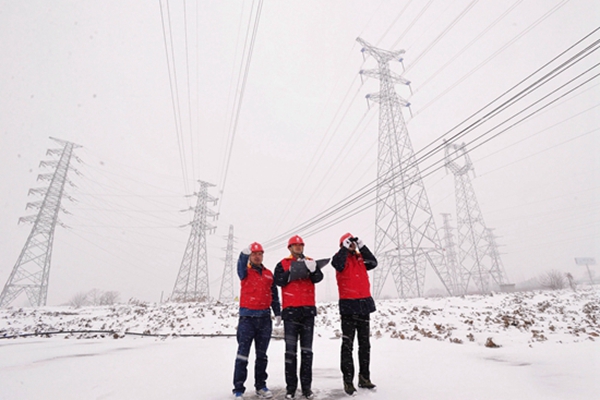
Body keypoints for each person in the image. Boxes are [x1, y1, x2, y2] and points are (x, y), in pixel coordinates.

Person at [274, 235, 324, 400]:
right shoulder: (282, 264)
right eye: (295, 245)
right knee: (290, 352)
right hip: (290, 312)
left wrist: (313, 269)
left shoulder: (310, 261)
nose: (298, 247)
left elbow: (318, 278)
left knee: (307, 352)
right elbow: (279, 281)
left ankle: (306, 388)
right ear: (289, 248)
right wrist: (291, 271)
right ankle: (291, 388)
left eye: (300, 245)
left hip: (307, 312)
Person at [331, 233, 378, 396]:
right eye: (349, 243)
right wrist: (344, 248)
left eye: (353, 243)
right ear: (343, 245)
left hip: (363, 305)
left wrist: (362, 246)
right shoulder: (340, 259)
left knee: (365, 345)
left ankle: (364, 377)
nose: (352, 245)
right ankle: (348, 380)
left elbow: (373, 262)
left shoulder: (360, 258)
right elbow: (336, 264)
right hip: (349, 306)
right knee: (347, 345)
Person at [233, 242, 281, 399]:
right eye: (254, 254)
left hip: (264, 319)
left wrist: (277, 313)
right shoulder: (245, 272)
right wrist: (243, 255)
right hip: (247, 319)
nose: (257, 256)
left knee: (262, 356)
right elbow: (240, 265)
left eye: (259, 254)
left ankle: (261, 386)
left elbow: (274, 295)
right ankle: (238, 389)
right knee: (243, 355)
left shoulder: (268, 274)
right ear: (250, 256)